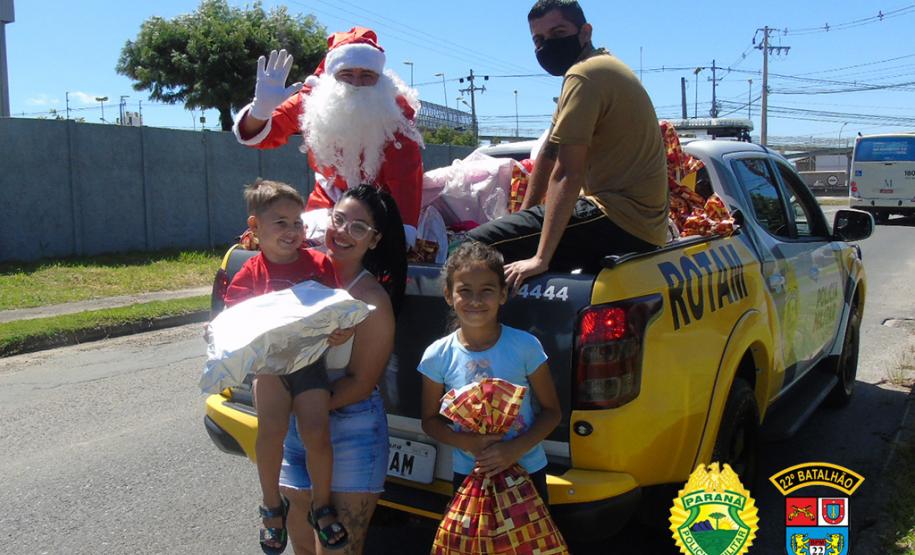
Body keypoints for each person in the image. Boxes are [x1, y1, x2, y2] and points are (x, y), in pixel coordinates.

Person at [467, 0, 669, 289]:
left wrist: (539, 257)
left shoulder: (584, 75)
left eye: (558, 32)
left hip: (620, 217)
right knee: (521, 270)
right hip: (641, 225)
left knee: (474, 247)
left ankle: (481, 333)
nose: (547, 45)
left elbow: (566, 172)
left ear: (585, 32)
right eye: (538, 39)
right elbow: (549, 153)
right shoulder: (595, 67)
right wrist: (526, 215)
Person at [222, 179, 354, 553]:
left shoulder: (319, 264)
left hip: (311, 363)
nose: (292, 230)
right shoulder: (250, 274)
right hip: (270, 368)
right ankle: (271, 508)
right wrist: (218, 332)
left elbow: (337, 311)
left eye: (297, 222)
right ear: (255, 227)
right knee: (270, 433)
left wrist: (341, 330)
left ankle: (322, 506)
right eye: (280, 222)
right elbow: (235, 319)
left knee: (317, 431)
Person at [280, 184, 407, 555]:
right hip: (296, 432)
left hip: (351, 435)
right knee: (303, 547)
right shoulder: (297, 274)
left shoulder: (371, 301)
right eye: (339, 219)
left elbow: (361, 382)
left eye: (359, 227)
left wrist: (301, 405)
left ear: (375, 239)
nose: (343, 232)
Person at [232, 27, 425, 228]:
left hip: (382, 203)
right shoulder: (313, 101)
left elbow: (406, 178)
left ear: (379, 78)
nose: (356, 83)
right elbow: (260, 135)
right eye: (346, 73)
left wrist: (405, 230)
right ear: (332, 74)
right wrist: (260, 112)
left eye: (367, 74)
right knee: (307, 247)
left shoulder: (393, 111)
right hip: (327, 199)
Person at [417, 241, 562, 503]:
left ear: (503, 294)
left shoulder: (525, 346)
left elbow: (552, 412)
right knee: (474, 544)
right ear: (449, 295)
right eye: (465, 291)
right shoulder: (437, 356)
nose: (475, 300)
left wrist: (514, 450)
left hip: (527, 470)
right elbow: (429, 420)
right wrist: (467, 443)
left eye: (487, 290)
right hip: (470, 474)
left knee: (528, 544)